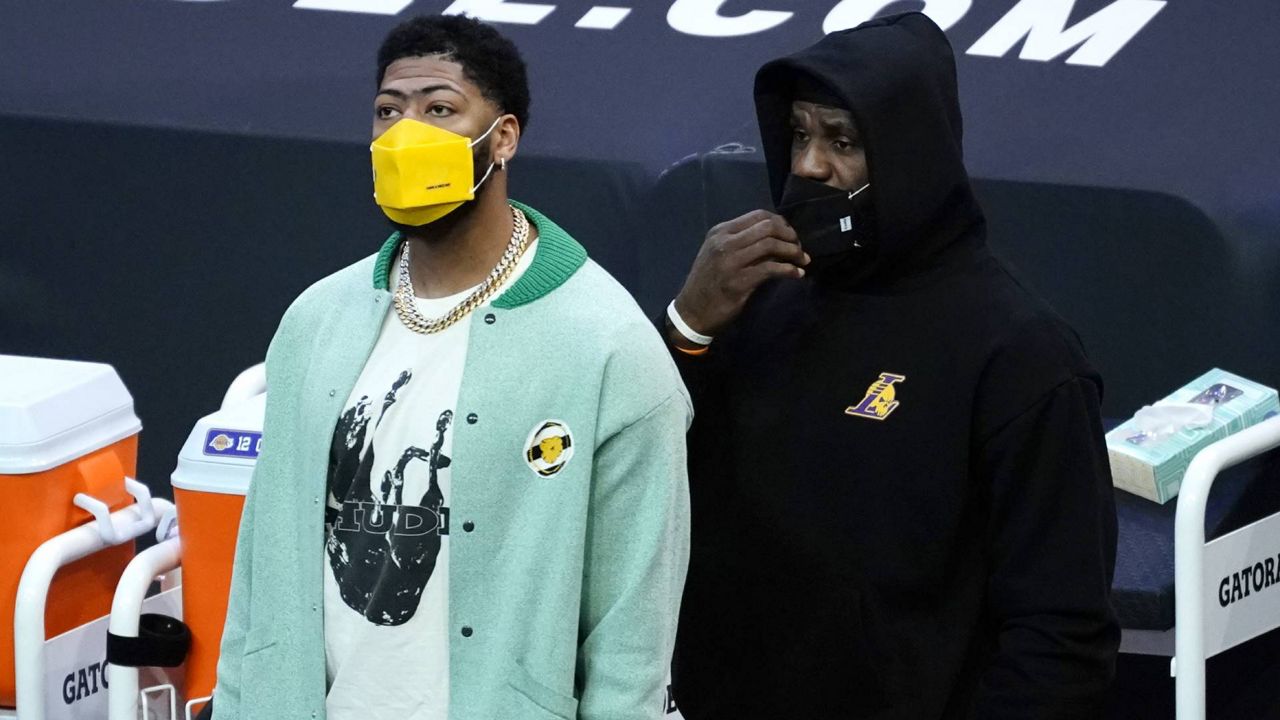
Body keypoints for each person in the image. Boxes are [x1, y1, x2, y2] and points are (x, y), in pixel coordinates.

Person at [210, 15, 691, 720]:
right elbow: (261, 562)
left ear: (503, 138)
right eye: (387, 111)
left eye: (439, 109)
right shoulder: (316, 321)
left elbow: (632, 628)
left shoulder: (607, 345)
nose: (406, 133)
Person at [664, 12, 1118, 719]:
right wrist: (686, 330)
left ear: (913, 155)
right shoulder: (753, 297)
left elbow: (1061, 636)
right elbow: (641, 487)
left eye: (842, 140)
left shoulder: (1020, 352)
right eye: (800, 134)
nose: (809, 165)